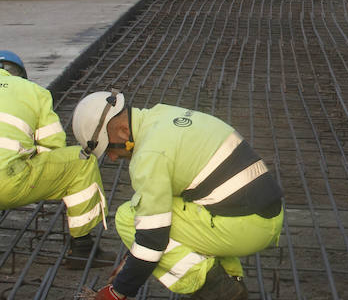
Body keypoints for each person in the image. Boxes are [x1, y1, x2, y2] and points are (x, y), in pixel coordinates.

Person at [71, 92, 284, 300]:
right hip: (267, 214)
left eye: (109, 149)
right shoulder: (163, 114)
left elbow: (152, 240)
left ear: (123, 131)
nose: (113, 158)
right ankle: (229, 278)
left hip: (247, 227)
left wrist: (117, 292)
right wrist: (131, 258)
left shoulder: (148, 156)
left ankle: (217, 289)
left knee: (128, 217)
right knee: (164, 206)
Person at [0, 50, 112, 269]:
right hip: (9, 183)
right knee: (81, 162)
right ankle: (82, 249)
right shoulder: (33, 91)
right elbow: (52, 147)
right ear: (19, 74)